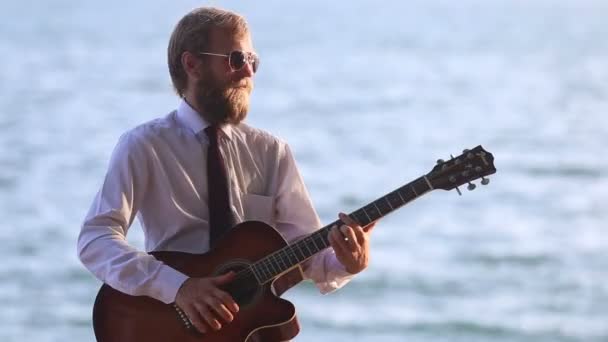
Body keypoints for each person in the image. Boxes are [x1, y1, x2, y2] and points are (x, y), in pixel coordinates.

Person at [77, 6, 375, 335]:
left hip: (252, 331)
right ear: (192, 64)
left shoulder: (272, 152)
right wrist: (179, 286)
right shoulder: (143, 146)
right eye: (236, 59)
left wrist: (347, 264)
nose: (248, 72)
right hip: (171, 328)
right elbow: (96, 239)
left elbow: (308, 255)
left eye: (253, 61)